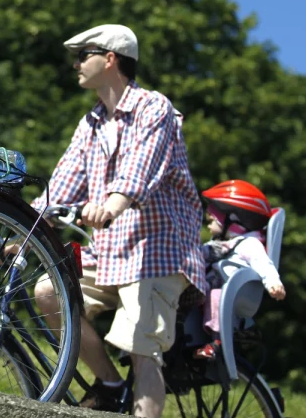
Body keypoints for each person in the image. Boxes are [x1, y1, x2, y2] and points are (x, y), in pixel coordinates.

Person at [31, 24, 206, 416]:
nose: (75, 63)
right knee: (47, 291)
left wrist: (111, 205)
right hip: (109, 253)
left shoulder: (153, 107)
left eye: (83, 55)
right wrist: (25, 228)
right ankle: (110, 384)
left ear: (110, 59)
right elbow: (60, 188)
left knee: (142, 350)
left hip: (157, 252)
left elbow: (139, 169)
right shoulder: (91, 123)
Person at [194, 179, 286, 361]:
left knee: (215, 297)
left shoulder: (248, 244)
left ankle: (217, 343)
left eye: (212, 219)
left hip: (233, 295)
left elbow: (263, 263)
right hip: (212, 290)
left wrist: (273, 282)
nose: (208, 222)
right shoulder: (217, 246)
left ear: (233, 220)